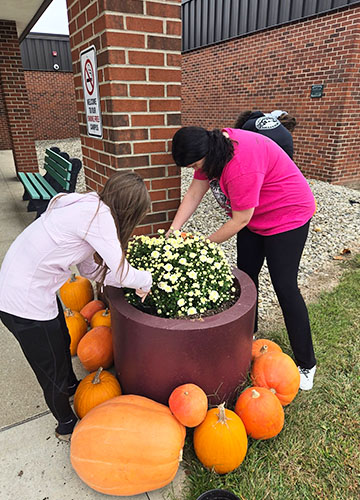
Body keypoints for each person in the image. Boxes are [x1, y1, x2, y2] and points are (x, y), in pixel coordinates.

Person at [0, 171, 152, 440]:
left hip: (31, 288)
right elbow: (123, 272)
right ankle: (66, 423)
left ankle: (72, 386)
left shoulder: (89, 204)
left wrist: (123, 280)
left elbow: (89, 268)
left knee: (61, 337)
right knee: (51, 367)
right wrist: (146, 279)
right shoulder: (101, 218)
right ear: (130, 210)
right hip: (22, 301)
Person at [169, 126, 317, 391]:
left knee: (285, 287)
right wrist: (173, 231)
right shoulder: (212, 149)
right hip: (256, 216)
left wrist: (202, 245)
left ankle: (306, 364)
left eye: (194, 165)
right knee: (246, 278)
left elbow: (240, 219)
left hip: (288, 215)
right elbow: (194, 193)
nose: (195, 170)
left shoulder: (240, 166)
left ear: (206, 153)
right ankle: (250, 334)